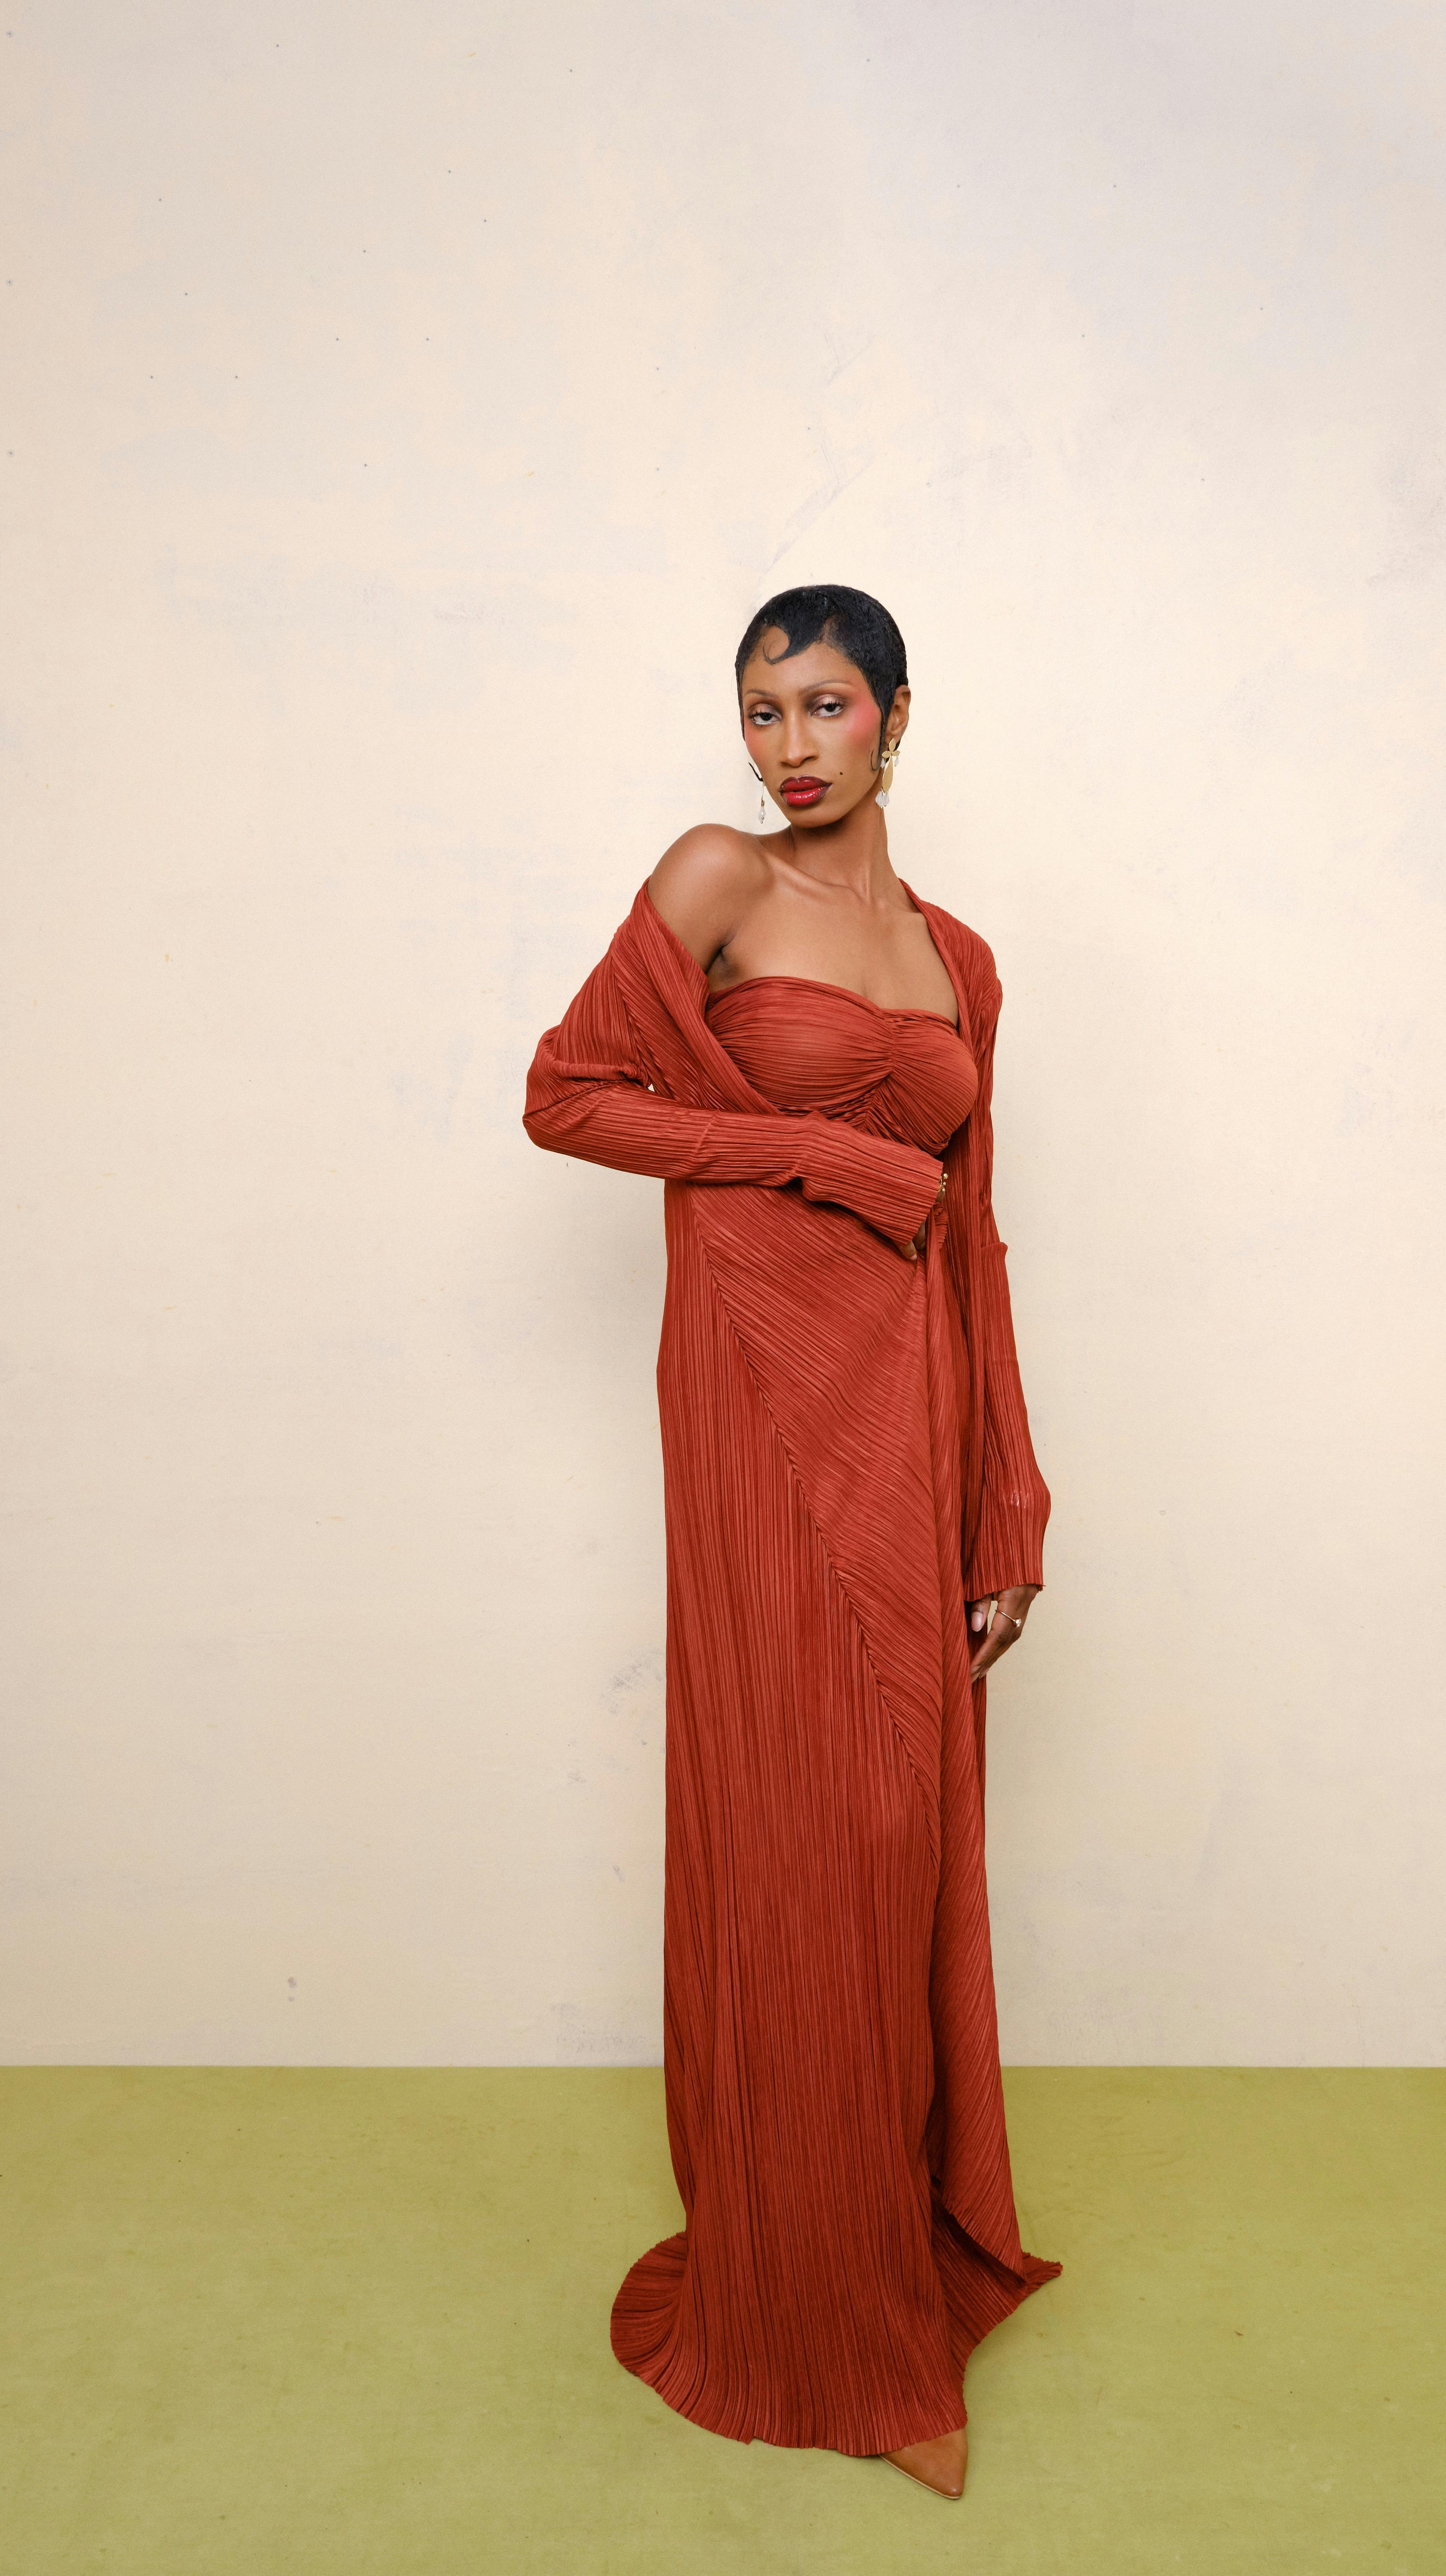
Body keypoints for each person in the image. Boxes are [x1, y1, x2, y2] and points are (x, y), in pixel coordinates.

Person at [522, 584, 1057, 2501]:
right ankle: (823, 2317)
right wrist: (821, 1154)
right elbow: (565, 1093)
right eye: (759, 710)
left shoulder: (959, 954)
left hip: (910, 1414)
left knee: (901, 1834)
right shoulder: (716, 879)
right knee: (811, 1833)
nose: (787, 745)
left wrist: (1008, 1492)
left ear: (896, 715)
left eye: (823, 705)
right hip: (762, 1402)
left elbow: (973, 1236)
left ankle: (883, 2259)